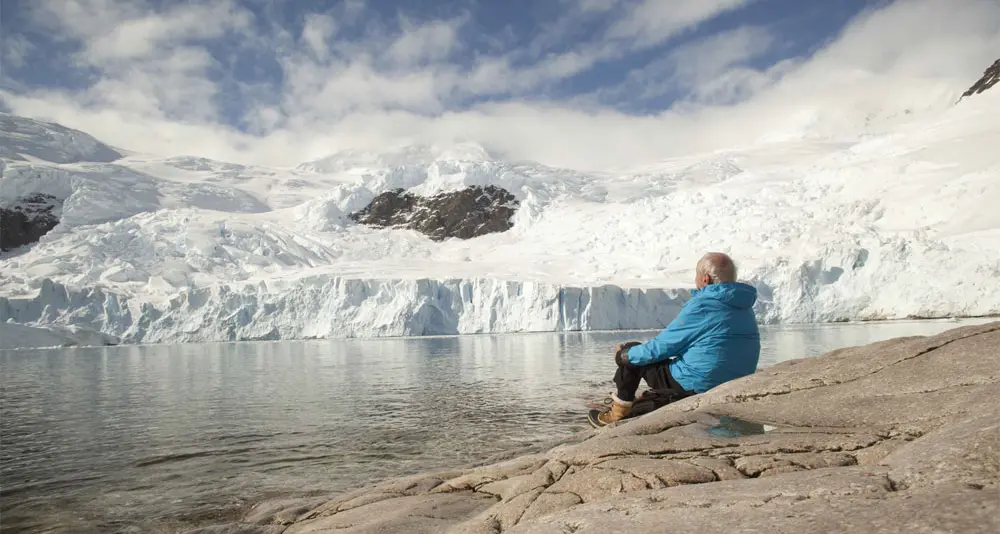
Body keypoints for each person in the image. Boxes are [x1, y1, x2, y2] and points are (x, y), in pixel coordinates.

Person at [593, 252, 761, 426]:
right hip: (733, 384)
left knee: (632, 351)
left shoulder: (703, 304)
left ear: (705, 279)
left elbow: (661, 347)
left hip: (698, 385)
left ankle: (618, 413)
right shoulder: (744, 306)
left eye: (696, 276)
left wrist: (623, 356)